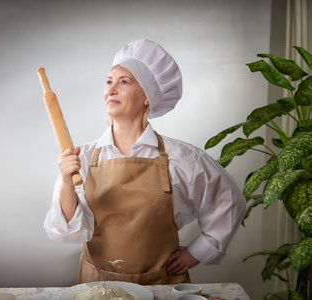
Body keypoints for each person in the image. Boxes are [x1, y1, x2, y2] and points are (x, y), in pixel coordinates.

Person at [43, 39, 246, 285]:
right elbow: (70, 233)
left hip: (162, 287)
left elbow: (229, 201)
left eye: (124, 81)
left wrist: (197, 252)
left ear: (147, 97)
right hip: (99, 287)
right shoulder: (81, 157)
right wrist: (66, 180)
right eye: (109, 81)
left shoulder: (183, 159)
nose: (111, 89)